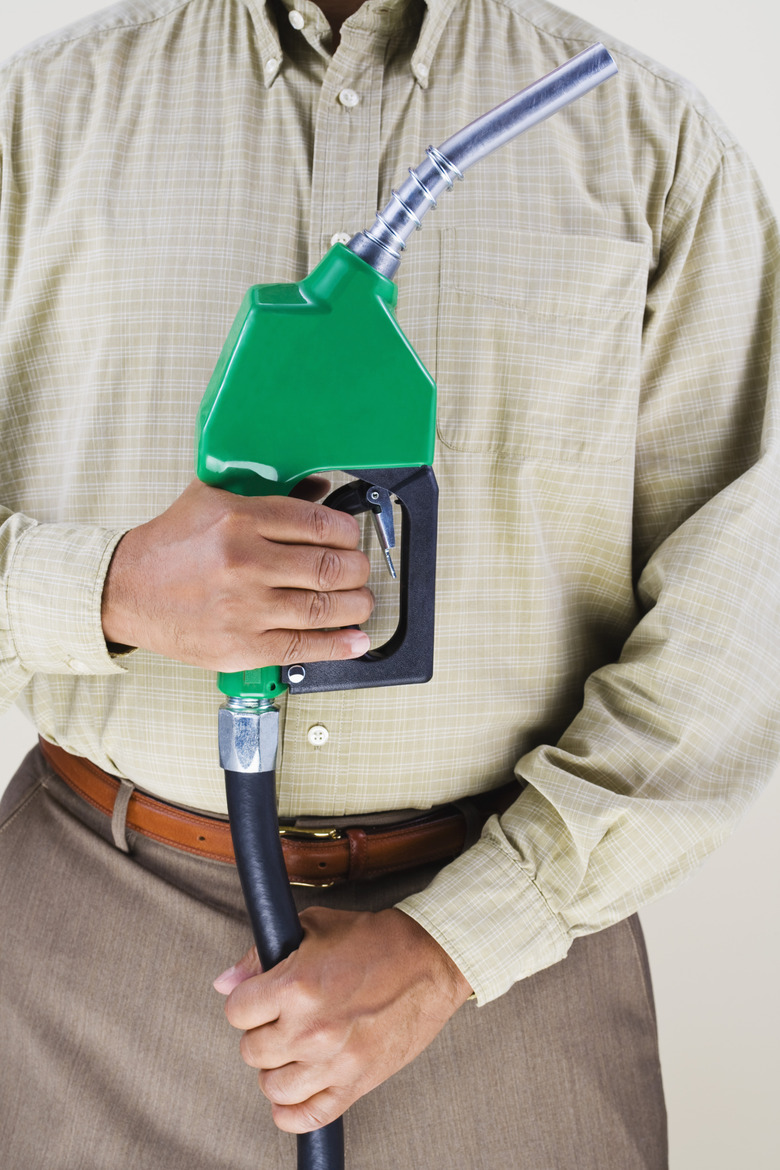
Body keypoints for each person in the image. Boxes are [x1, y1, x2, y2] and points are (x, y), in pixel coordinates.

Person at [0, 0, 777, 1166]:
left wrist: (460, 940)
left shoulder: (646, 141)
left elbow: (746, 596)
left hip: (512, 981)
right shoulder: (37, 117)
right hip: (87, 972)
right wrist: (105, 588)